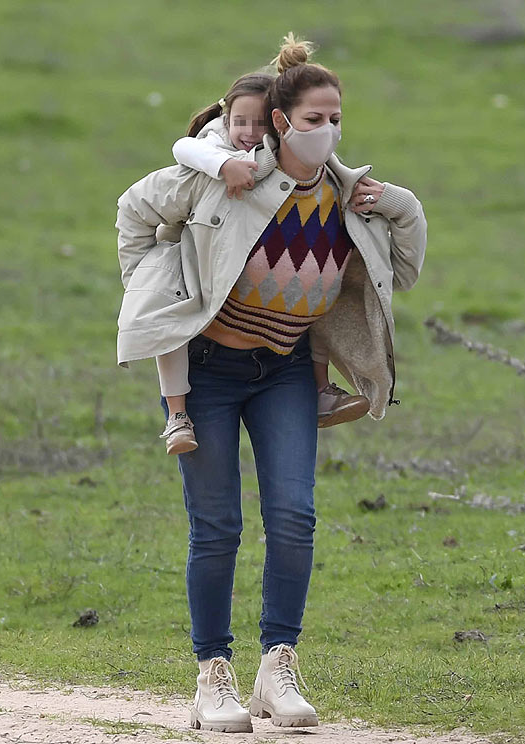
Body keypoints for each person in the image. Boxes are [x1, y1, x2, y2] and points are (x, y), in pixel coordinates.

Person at [115, 34, 427, 733]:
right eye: (315, 119)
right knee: (217, 525)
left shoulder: (350, 197)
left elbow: (401, 271)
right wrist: (155, 293)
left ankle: (276, 667)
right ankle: (212, 677)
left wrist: (399, 204)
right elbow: (134, 211)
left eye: (337, 118)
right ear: (282, 122)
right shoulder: (228, 178)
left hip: (287, 369)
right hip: (208, 373)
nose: (329, 130)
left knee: (294, 517)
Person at [152, 67, 369, 455]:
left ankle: (320, 389)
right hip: (207, 348)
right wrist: (222, 166)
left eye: (334, 120)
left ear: (276, 122)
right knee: (169, 317)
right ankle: (177, 413)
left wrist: (385, 198)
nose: (249, 133)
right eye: (240, 122)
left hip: (286, 360)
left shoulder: (300, 172)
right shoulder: (214, 151)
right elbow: (174, 159)